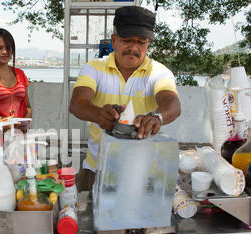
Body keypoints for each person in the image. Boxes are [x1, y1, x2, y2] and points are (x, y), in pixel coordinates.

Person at [69, 6, 181, 192]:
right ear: (114, 40)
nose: (133, 48)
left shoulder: (159, 72)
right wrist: (99, 114)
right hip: (97, 169)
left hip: (144, 174)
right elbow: (77, 103)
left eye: (141, 42)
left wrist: (156, 117)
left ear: (148, 44)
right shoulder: (94, 68)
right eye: (127, 41)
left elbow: (173, 103)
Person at [0, 28, 32, 132]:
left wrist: (25, 120)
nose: (5, 52)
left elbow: (28, 107)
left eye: (8, 48)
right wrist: (1, 121)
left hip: (19, 136)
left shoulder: (20, 74)